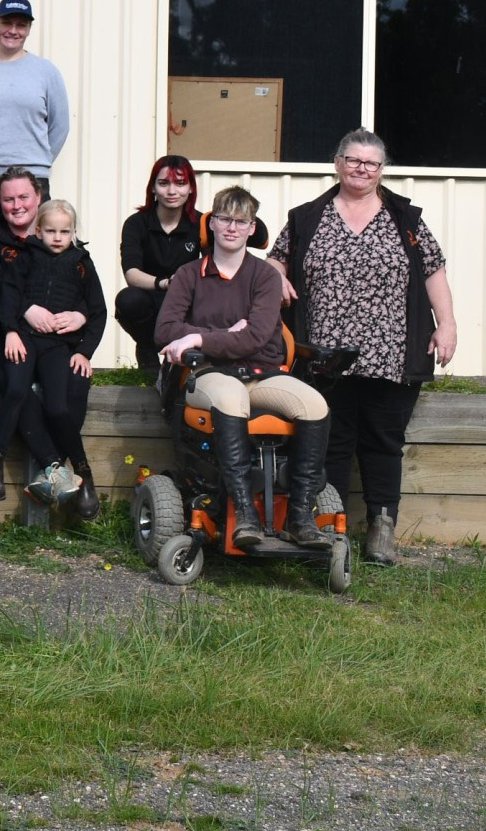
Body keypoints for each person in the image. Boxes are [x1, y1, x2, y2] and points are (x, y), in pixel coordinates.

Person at [268, 129, 457, 567]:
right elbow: (275, 259)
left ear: (381, 170)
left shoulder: (404, 218)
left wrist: (446, 324)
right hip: (326, 357)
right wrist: (277, 275)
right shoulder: (306, 217)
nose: (362, 169)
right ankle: (333, 530)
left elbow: (434, 270)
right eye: (354, 160)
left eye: (372, 163)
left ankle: (380, 530)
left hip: (392, 354)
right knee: (330, 442)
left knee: (384, 443)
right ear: (338, 163)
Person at [158, 185, 332, 550]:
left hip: (262, 371)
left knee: (315, 404)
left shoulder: (266, 277)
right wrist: (215, 336)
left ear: (253, 228)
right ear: (212, 223)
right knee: (231, 397)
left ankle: (300, 516)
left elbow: (253, 338)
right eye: (224, 219)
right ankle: (244, 515)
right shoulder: (190, 274)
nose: (232, 228)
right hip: (207, 374)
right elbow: (165, 330)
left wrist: (197, 338)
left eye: (241, 221)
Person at [1, 197, 105, 519]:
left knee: (60, 405)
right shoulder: (25, 257)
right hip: (28, 342)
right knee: (18, 392)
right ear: (38, 230)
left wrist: (85, 351)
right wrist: (15, 324)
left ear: (74, 231)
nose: (58, 237)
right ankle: (68, 473)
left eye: (65, 231)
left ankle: (79, 473)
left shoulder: (81, 263)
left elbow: (99, 311)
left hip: (62, 347)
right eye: (50, 231)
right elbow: (10, 295)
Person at [0, 0, 70, 233]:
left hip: (32, 178)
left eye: (21, 25)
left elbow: (60, 125)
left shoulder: (46, 71)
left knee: (34, 250)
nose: (13, 31)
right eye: (6, 23)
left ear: (29, 29)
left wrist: (36, 161)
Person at [0, 169, 45, 502]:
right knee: (17, 385)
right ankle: (56, 466)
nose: (17, 205)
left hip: (47, 340)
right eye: (8, 199)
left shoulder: (56, 236)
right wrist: (23, 314)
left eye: (23, 197)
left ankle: (55, 468)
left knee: (64, 391)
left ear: (38, 198)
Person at [116, 155, 204, 370]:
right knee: (128, 299)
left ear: (191, 188)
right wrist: (165, 283)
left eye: (180, 183)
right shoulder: (136, 223)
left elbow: (216, 265)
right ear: (153, 188)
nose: (172, 191)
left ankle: (179, 354)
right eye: (164, 183)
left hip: (187, 302)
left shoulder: (201, 224)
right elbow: (131, 273)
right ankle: (146, 347)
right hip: (149, 298)